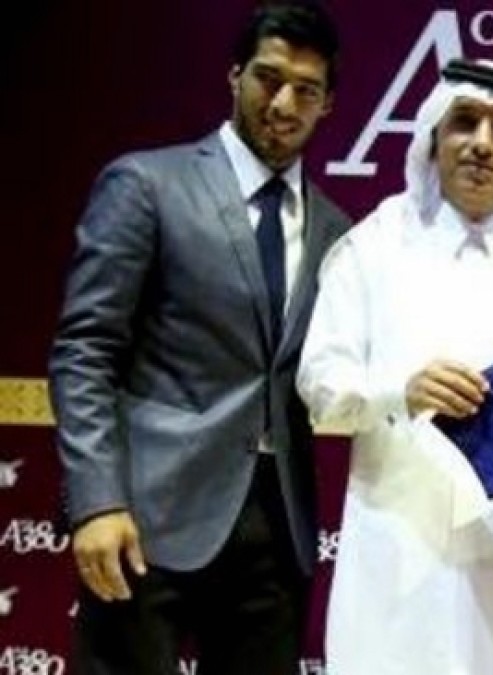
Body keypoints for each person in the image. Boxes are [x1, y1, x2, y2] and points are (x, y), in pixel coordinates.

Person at [47, 2, 349, 672]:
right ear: (235, 75)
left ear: (327, 105)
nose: (284, 103)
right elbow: (84, 351)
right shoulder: (147, 183)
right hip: (144, 517)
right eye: (269, 78)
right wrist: (97, 502)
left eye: (307, 90)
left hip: (278, 529)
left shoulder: (338, 231)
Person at [297, 58, 493, 674]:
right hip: (397, 553)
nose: (482, 143)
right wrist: (400, 393)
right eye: (465, 122)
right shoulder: (374, 247)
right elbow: (320, 388)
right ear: (434, 140)